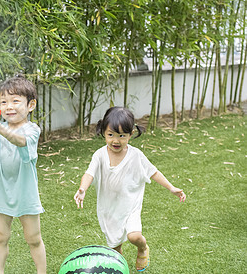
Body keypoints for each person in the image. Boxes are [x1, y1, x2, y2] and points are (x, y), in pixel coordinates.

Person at [73, 106, 186, 272]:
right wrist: (82, 189)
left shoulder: (136, 155)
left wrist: (171, 188)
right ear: (103, 132)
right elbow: (89, 174)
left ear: (131, 134)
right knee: (115, 250)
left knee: (134, 236)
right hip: (109, 209)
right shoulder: (99, 155)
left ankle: (143, 248)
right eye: (110, 135)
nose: (116, 141)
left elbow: (152, 171)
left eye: (122, 136)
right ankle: (120, 269)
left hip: (130, 205)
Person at [0, 75, 46, 274]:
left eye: (16, 101)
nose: (9, 107)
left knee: (33, 238)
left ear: (30, 105)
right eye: (4, 102)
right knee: (0, 236)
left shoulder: (32, 129)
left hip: (25, 192)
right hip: (1, 191)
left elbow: (20, 141)